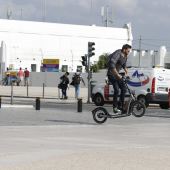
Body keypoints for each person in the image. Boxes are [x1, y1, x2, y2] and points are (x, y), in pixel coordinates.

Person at [107, 44, 132, 114]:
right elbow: (112, 64)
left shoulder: (125, 56)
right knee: (117, 90)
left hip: (117, 75)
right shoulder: (118, 53)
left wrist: (126, 70)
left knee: (124, 88)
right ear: (124, 49)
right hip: (111, 74)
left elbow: (123, 64)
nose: (129, 52)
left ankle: (121, 106)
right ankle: (115, 107)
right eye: (128, 51)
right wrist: (117, 74)